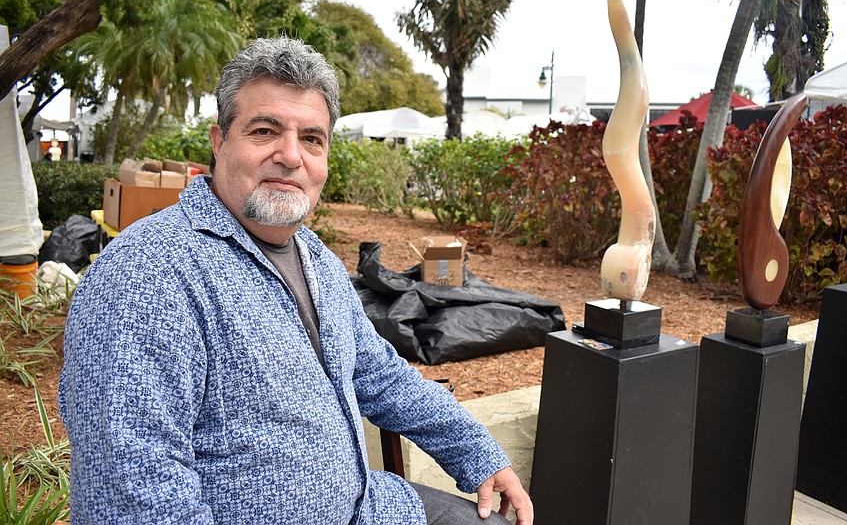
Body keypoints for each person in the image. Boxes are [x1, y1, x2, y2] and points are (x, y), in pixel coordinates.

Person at [59, 36, 534, 525]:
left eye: (312, 138)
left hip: (370, 507)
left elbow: (381, 377)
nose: (291, 156)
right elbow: (135, 493)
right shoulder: (149, 274)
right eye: (265, 131)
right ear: (219, 143)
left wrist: (478, 453)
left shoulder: (318, 261)